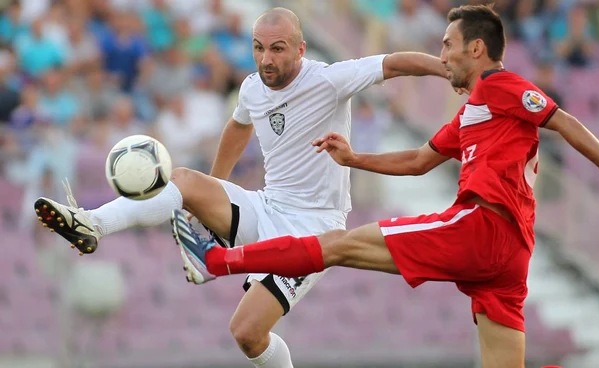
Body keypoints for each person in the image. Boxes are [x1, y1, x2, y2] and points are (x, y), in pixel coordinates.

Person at [172, 5, 599, 368]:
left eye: (448, 45)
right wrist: (354, 157)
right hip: (513, 255)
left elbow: (563, 120)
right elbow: (415, 161)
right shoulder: (470, 114)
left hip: (479, 228)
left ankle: (218, 260)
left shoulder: (500, 85)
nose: (443, 54)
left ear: (476, 49)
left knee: (338, 245)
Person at [33, 7, 449, 368]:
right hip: (265, 206)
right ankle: (92, 224)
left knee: (247, 333)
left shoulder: (330, 80)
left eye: (278, 48)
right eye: (258, 47)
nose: (266, 59)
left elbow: (393, 63)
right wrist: (214, 187)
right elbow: (237, 126)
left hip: (313, 229)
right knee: (184, 180)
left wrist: (447, 70)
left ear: (301, 50)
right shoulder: (252, 87)